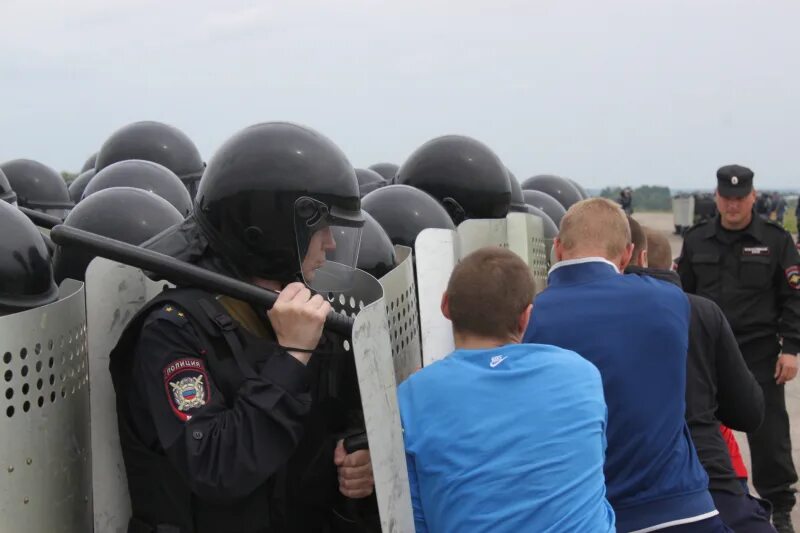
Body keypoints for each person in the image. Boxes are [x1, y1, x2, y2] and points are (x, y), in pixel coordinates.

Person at [109, 122, 377, 533]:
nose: (330, 243)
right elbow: (217, 466)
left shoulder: (296, 313)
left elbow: (321, 430)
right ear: (265, 232)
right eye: (318, 228)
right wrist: (291, 358)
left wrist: (357, 454)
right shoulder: (173, 330)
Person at [524, 198, 726, 532]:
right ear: (628, 254)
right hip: (681, 507)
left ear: (557, 249)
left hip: (589, 513)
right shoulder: (669, 301)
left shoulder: (534, 318)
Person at [398, 246, 615, 533]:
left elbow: (414, 515)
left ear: (445, 306)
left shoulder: (413, 396)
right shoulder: (581, 372)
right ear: (526, 317)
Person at [677, 164, 800, 533]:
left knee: (768, 432)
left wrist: (792, 348)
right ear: (717, 197)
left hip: (758, 352)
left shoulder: (776, 240)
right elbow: (680, 297)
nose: (732, 206)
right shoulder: (697, 240)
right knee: (698, 427)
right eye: (726, 199)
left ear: (753, 198)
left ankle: (778, 506)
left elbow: (793, 298)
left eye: (739, 199)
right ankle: (706, 498)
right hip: (706, 353)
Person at [629, 221, 773, 532]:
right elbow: (749, 411)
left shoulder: (601, 316)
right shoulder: (702, 312)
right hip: (710, 476)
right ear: (673, 267)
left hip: (632, 485)